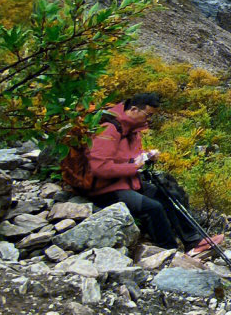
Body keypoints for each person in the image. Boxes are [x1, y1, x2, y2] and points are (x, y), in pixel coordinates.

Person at [87, 93, 222, 256]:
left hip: (125, 181)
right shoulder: (109, 129)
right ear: (134, 109)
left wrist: (146, 156)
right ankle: (169, 252)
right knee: (153, 208)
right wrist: (133, 166)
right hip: (104, 189)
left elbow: (126, 156)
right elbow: (99, 167)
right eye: (148, 115)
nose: (149, 120)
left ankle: (192, 241)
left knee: (168, 195)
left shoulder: (132, 128)